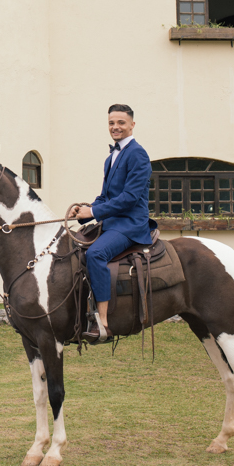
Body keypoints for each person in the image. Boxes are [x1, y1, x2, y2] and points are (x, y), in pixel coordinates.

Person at [68, 104, 157, 343]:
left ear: (132, 125)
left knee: (96, 253)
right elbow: (106, 196)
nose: (115, 127)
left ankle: (103, 323)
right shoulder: (110, 158)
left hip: (130, 224)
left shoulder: (138, 154)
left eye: (120, 123)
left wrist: (95, 210)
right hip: (112, 222)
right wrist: (84, 212)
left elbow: (129, 198)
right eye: (111, 123)